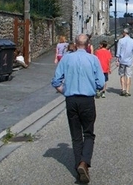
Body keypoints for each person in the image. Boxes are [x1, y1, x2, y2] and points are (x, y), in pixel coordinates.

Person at [51, 34, 104, 184]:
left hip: (71, 99)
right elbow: (100, 83)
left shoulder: (67, 58)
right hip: (87, 100)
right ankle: (84, 162)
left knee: (76, 135)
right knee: (88, 133)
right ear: (88, 45)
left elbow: (55, 80)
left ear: (75, 43)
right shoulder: (93, 59)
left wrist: (64, 91)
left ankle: (78, 167)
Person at [116, 28, 133, 97]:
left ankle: (123, 89)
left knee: (122, 75)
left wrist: (117, 60)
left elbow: (118, 51)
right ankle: (127, 91)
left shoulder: (120, 41)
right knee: (128, 75)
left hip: (122, 60)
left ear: (124, 33)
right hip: (129, 60)